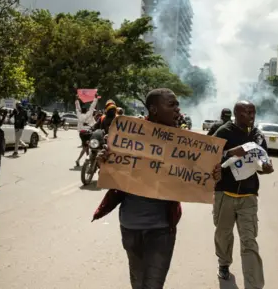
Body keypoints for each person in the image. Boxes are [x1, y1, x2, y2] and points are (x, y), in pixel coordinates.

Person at [92, 88, 221, 289]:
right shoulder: (129, 133)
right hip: (130, 226)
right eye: (172, 105)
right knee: (138, 281)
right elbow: (115, 170)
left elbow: (199, 175)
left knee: (153, 285)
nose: (178, 109)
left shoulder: (187, 142)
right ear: (154, 109)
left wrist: (213, 175)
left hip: (161, 229)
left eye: (177, 104)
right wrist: (105, 160)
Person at [212, 100, 273, 289]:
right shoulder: (223, 132)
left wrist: (266, 168)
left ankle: (253, 285)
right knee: (223, 234)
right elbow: (208, 155)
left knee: (249, 241)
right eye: (247, 113)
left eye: (253, 112)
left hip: (248, 196)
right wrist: (231, 152)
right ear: (237, 114)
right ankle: (224, 263)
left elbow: (262, 162)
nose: (252, 116)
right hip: (225, 194)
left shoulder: (257, 135)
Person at [75, 93, 98, 167]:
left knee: (86, 147)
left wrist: (76, 99)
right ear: (87, 110)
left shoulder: (79, 115)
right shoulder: (89, 114)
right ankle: (85, 159)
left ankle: (84, 159)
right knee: (90, 147)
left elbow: (77, 108)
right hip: (88, 133)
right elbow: (92, 106)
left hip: (81, 134)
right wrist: (95, 98)